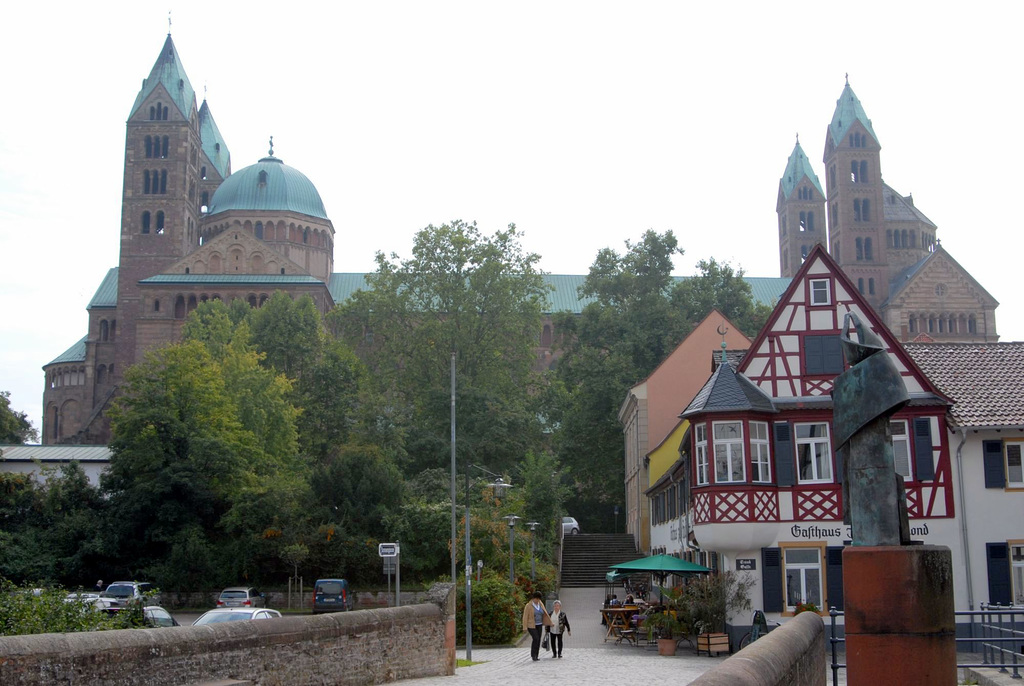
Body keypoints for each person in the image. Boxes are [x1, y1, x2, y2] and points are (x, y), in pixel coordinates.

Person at [521, 591, 552, 661]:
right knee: (536, 638)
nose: (538, 601)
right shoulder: (528, 606)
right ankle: (533, 655)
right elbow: (525, 616)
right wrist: (524, 627)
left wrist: (549, 622)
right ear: (534, 598)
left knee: (538, 639)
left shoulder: (540, 604)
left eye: (539, 599)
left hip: (539, 624)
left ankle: (536, 655)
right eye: (537, 599)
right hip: (531, 625)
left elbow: (545, 613)